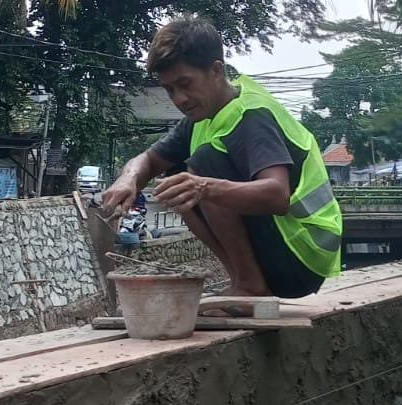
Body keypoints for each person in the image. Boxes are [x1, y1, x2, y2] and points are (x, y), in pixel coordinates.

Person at [100, 16, 342, 307]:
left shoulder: (252, 116)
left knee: (201, 169)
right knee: (178, 177)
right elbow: (150, 160)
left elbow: (277, 196)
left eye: (184, 84)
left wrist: (204, 186)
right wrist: (129, 177)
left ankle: (250, 287)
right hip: (283, 254)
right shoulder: (200, 118)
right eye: (170, 90)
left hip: (303, 255)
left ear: (216, 71)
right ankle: (242, 281)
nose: (179, 99)